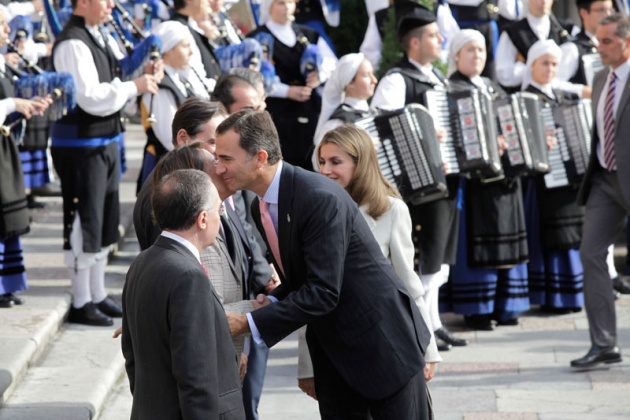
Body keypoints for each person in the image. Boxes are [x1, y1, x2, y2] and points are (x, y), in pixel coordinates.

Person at [215, 109, 432, 419]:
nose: (218, 167)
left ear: (260, 157)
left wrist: (247, 324)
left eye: (226, 158)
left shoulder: (317, 198)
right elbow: (303, 274)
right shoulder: (263, 204)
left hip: (382, 351)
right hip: (335, 357)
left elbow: (323, 291)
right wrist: (274, 298)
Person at [293, 124, 440, 399]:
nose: (325, 170)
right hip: (333, 353)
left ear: (360, 164)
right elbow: (309, 294)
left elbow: (408, 287)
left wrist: (427, 350)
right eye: (322, 161)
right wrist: (307, 367)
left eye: (336, 162)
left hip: (386, 348)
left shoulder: (391, 210)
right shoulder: (313, 212)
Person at [50, 0, 162, 326]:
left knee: (104, 219)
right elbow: (90, 96)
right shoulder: (73, 41)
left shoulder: (98, 34)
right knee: (84, 219)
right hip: (81, 145)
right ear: (83, 2)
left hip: (104, 141)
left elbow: (116, 72)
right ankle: (81, 299)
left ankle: (97, 293)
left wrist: (142, 71)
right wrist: (134, 86)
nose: (112, 5)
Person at [371, 1, 467, 351]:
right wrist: (422, 130)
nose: (440, 40)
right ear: (414, 43)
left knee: (439, 258)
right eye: (432, 35)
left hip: (444, 179)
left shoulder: (435, 77)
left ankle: (434, 321)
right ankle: (422, 326)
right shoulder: (397, 79)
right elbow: (383, 123)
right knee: (425, 256)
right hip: (418, 186)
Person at [122, 168, 245, 419]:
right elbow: (196, 376)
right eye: (218, 211)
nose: (220, 220)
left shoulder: (142, 262)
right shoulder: (189, 277)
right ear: (202, 219)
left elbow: (131, 356)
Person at [442, 29, 530, 330]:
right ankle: (478, 309)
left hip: (505, 180)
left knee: (509, 239)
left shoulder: (493, 87)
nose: (477, 55)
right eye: (470, 50)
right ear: (456, 56)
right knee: (478, 244)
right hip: (476, 183)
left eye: (480, 50)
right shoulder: (450, 89)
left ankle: (507, 306)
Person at [571, 13, 630, 369]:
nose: (600, 47)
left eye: (607, 41)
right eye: (598, 40)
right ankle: (604, 344)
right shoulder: (598, 78)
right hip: (605, 181)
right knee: (591, 253)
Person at [522, 39, 586, 314]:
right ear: (532, 65)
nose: (549, 69)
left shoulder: (562, 98)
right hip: (541, 183)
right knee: (551, 235)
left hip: (566, 180)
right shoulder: (525, 99)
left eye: (554, 64)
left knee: (571, 232)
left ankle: (571, 295)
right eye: (544, 63)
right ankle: (552, 296)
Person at [0, 4, 52, 308]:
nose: (8, 30)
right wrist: (12, 105)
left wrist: (26, 104)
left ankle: (7, 285)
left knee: (8, 217)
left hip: (4, 148)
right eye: (2, 24)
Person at [246, 0, 336, 170]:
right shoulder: (258, 37)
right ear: (269, 7)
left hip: (309, 109)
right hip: (279, 113)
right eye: (281, 3)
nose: (287, 7)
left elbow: (332, 62)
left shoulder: (307, 34)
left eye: (290, 2)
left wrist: (320, 75)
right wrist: (287, 91)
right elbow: (255, 76)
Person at [134, 98, 226, 251]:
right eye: (212, 142)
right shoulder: (166, 191)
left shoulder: (187, 181)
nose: (221, 151)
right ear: (183, 138)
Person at [137, 20, 201, 191]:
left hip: (183, 163)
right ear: (168, 50)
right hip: (167, 170)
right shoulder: (160, 86)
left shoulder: (179, 78)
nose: (191, 51)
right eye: (185, 46)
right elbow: (169, 137)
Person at [496, 0, 585, 95]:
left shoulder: (566, 29)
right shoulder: (513, 32)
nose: (543, 1)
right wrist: (532, 70)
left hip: (559, 99)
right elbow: (504, 74)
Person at [312, 52, 377, 169]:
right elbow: (319, 163)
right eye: (367, 75)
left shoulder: (374, 114)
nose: (374, 80)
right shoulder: (337, 123)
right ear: (350, 82)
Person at [571, 0, 614, 85]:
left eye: (611, 10)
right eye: (601, 10)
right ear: (584, 13)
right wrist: (582, 91)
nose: (608, 15)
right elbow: (555, 83)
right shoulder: (573, 48)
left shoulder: (619, 44)